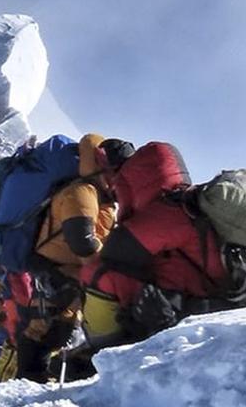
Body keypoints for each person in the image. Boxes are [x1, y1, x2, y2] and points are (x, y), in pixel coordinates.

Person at [78, 141, 227, 349]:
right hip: (198, 293)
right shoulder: (183, 202)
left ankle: (99, 353)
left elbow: (116, 252)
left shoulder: (165, 211)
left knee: (98, 274)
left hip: (193, 303)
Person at [15, 134, 135, 383]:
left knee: (60, 329)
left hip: (70, 274)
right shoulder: (82, 192)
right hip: (55, 271)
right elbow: (82, 242)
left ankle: (38, 380)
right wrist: (110, 274)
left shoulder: (103, 202)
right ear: (105, 166)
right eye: (119, 172)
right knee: (42, 329)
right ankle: (28, 381)